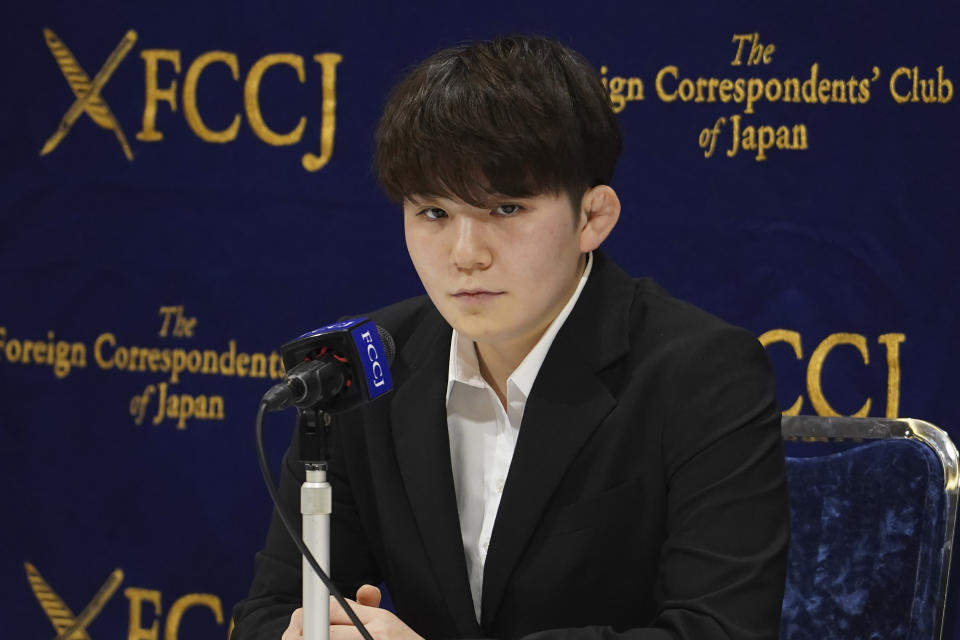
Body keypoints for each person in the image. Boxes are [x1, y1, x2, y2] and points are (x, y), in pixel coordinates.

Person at [232, 35, 789, 640]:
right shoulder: (364, 368)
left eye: (505, 210)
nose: (466, 255)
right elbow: (268, 612)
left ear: (592, 217)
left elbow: (721, 630)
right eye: (434, 214)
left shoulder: (702, 372)